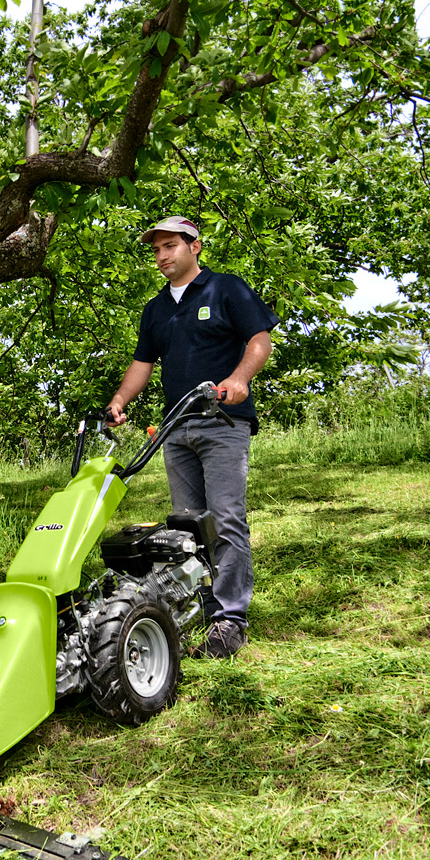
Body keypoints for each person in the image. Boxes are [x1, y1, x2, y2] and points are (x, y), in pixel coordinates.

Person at [107, 216, 279, 658]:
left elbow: (259, 341)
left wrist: (240, 379)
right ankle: (202, 609)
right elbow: (143, 364)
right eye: (157, 249)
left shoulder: (227, 289)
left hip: (223, 422)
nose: (163, 255)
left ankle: (230, 620)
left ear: (194, 246)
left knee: (224, 519)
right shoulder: (156, 309)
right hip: (175, 428)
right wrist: (120, 401)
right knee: (187, 525)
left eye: (170, 246)